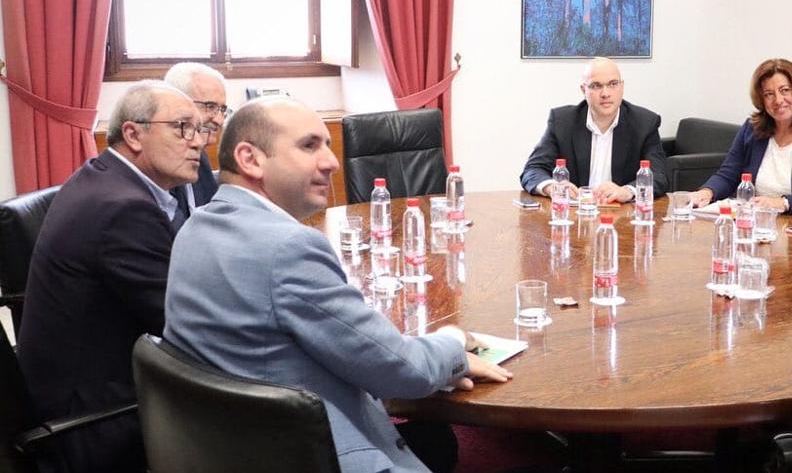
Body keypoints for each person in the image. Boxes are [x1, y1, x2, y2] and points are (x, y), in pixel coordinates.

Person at [164, 97, 511, 473]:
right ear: (250, 159)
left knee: (436, 441)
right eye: (309, 145)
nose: (331, 161)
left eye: (328, 146)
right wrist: (454, 342)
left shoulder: (195, 227)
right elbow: (403, 370)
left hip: (238, 446)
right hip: (317, 453)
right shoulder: (288, 248)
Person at [18, 81, 209, 473]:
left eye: (200, 129)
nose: (198, 142)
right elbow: (188, 328)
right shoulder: (123, 211)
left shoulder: (104, 178)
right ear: (133, 134)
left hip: (85, 382)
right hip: (98, 418)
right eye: (181, 127)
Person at [690, 58, 792, 214]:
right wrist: (707, 192)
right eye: (769, 94)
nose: (778, 100)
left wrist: (783, 203)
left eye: (785, 90)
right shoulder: (752, 129)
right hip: (752, 223)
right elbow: (728, 175)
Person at [520, 57, 668, 202]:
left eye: (613, 84)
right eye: (596, 86)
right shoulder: (562, 122)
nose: (605, 93)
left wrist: (627, 191)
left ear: (622, 87)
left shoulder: (645, 123)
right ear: (583, 90)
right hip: (574, 217)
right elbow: (533, 170)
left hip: (623, 216)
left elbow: (659, 177)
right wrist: (551, 187)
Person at [164, 61, 229, 216]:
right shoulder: (161, 162)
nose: (219, 120)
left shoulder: (199, 156)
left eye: (222, 109)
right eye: (210, 107)